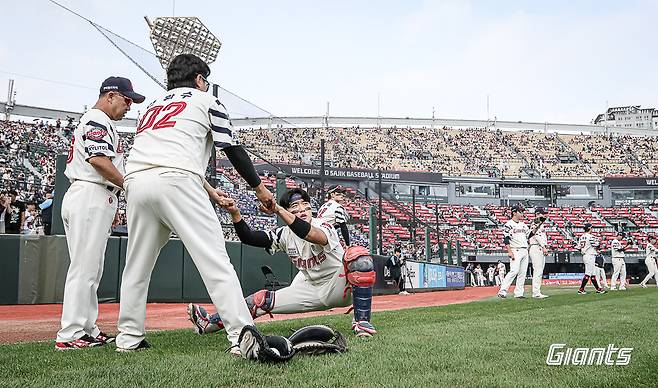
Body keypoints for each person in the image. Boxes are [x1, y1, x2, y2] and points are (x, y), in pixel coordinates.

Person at [116, 54, 276, 356]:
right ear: (201, 80)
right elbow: (231, 148)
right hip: (176, 182)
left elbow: (165, 154)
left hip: (136, 182)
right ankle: (241, 336)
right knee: (216, 262)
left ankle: (128, 338)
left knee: (136, 267)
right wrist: (259, 188)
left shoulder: (151, 105)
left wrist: (210, 190)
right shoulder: (207, 101)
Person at [187, 188, 377, 337]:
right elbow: (249, 237)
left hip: (338, 284)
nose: (302, 209)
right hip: (311, 287)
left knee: (359, 258)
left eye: (305, 205)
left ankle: (362, 322)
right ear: (288, 212)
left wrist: (277, 209)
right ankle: (209, 323)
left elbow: (311, 234)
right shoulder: (284, 234)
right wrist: (235, 213)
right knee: (261, 300)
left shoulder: (323, 224)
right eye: (295, 207)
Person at [55, 76, 144, 351]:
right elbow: (97, 159)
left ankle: (86, 328)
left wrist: (113, 200)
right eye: (127, 100)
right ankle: (70, 334)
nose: (130, 106)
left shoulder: (101, 121)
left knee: (91, 268)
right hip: (90, 194)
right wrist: (126, 185)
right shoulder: (97, 119)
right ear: (110, 96)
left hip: (94, 196)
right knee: (84, 269)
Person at [498, 203, 530, 299]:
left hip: (525, 249)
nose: (522, 213)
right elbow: (506, 239)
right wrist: (509, 251)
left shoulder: (523, 225)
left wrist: (536, 226)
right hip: (515, 249)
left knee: (522, 273)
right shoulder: (508, 224)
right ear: (514, 213)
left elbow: (530, 235)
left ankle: (519, 293)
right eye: (520, 212)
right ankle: (502, 291)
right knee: (514, 271)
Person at [577, 223, 605, 295]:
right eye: (591, 228)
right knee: (588, 273)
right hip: (590, 255)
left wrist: (584, 251)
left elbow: (578, 247)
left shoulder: (582, 237)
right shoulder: (590, 236)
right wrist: (598, 243)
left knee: (592, 274)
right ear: (589, 228)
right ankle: (581, 289)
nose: (592, 229)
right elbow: (597, 244)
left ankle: (598, 289)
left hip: (586, 255)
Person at [529, 207, 549, 298]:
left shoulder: (541, 224)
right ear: (538, 214)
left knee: (540, 271)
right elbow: (536, 236)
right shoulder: (535, 222)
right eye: (542, 213)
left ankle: (537, 292)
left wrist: (545, 246)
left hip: (540, 248)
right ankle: (536, 293)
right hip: (536, 247)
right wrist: (543, 246)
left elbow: (543, 237)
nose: (544, 215)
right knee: (537, 270)